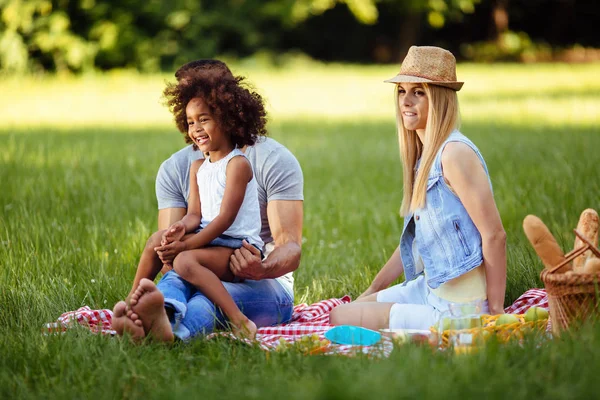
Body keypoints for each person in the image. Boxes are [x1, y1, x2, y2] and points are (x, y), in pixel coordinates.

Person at [112, 60, 304, 341]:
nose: (197, 125)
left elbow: (290, 247)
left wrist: (260, 269)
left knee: (208, 299)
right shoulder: (179, 168)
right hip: (200, 262)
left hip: (264, 283)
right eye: (191, 116)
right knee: (178, 276)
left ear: (228, 108)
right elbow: (170, 261)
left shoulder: (272, 159)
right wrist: (172, 243)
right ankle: (144, 321)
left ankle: (173, 335)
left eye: (206, 114)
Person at [329, 46, 506, 331]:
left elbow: (494, 235)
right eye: (402, 91)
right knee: (341, 315)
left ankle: (431, 335)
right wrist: (371, 289)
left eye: (419, 92)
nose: (406, 101)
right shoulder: (425, 158)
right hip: (429, 290)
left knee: (344, 324)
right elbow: (417, 244)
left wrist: (496, 312)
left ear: (440, 98)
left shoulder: (454, 154)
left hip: (460, 307)